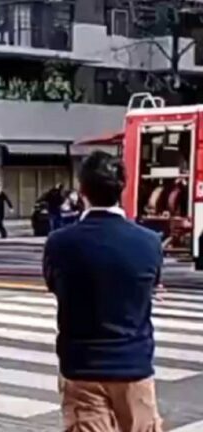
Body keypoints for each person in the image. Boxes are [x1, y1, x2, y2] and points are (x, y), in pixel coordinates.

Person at [43, 151, 164, 432]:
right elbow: (151, 284)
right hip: (134, 366)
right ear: (122, 188)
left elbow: (55, 285)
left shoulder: (60, 242)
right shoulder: (148, 242)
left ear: (82, 190)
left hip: (82, 367)